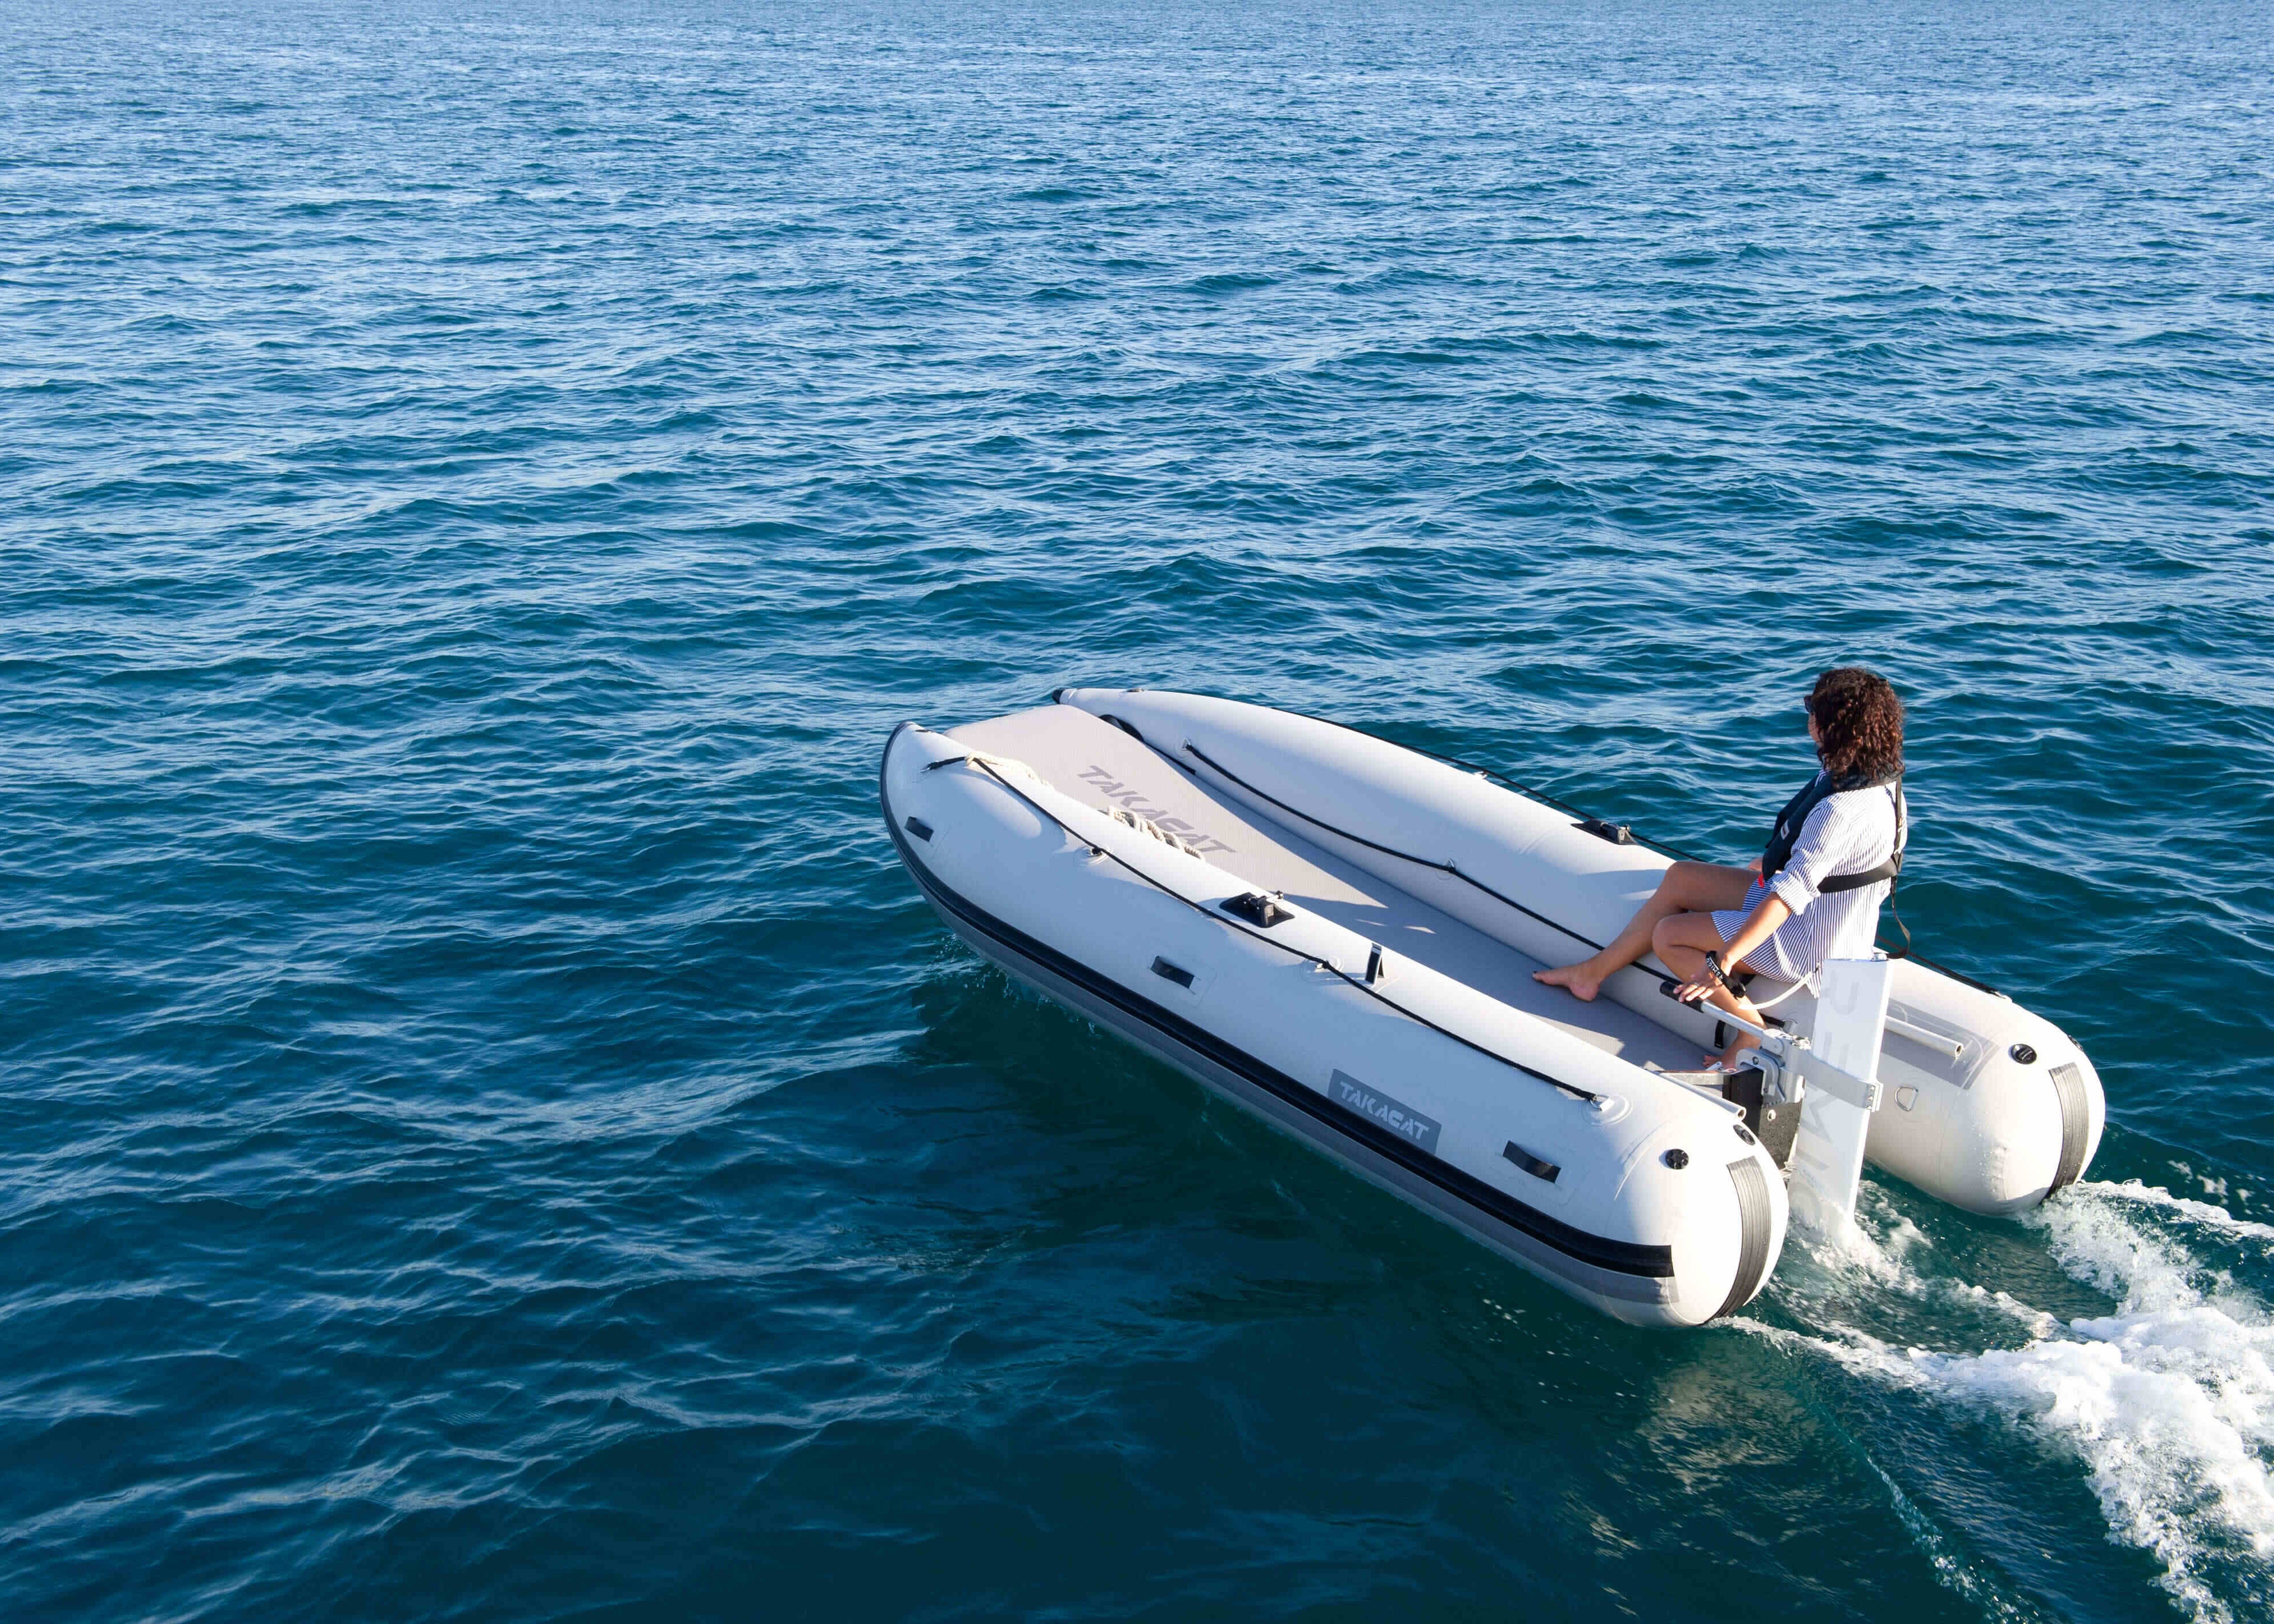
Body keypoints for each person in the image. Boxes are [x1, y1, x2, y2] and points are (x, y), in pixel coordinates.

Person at [1532, 667, 1908, 1066]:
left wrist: (1725, 960)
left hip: (1808, 941)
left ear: (1829, 727)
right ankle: (1592, 974)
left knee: (1669, 935)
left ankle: (1753, 1033)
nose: (1807, 718)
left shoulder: (1841, 810)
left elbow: (1787, 896)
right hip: (1824, 913)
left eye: (1811, 709)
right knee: (1682, 877)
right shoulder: (1873, 781)